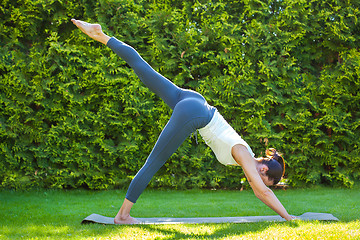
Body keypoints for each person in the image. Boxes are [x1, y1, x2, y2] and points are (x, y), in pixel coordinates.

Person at [71, 19, 296, 224]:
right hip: (195, 113)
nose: (255, 183)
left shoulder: (245, 155)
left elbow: (260, 190)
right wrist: (288, 216)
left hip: (194, 101)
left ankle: (101, 35)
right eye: (263, 179)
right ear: (263, 168)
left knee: (144, 69)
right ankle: (122, 216)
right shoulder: (245, 155)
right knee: (154, 162)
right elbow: (262, 193)